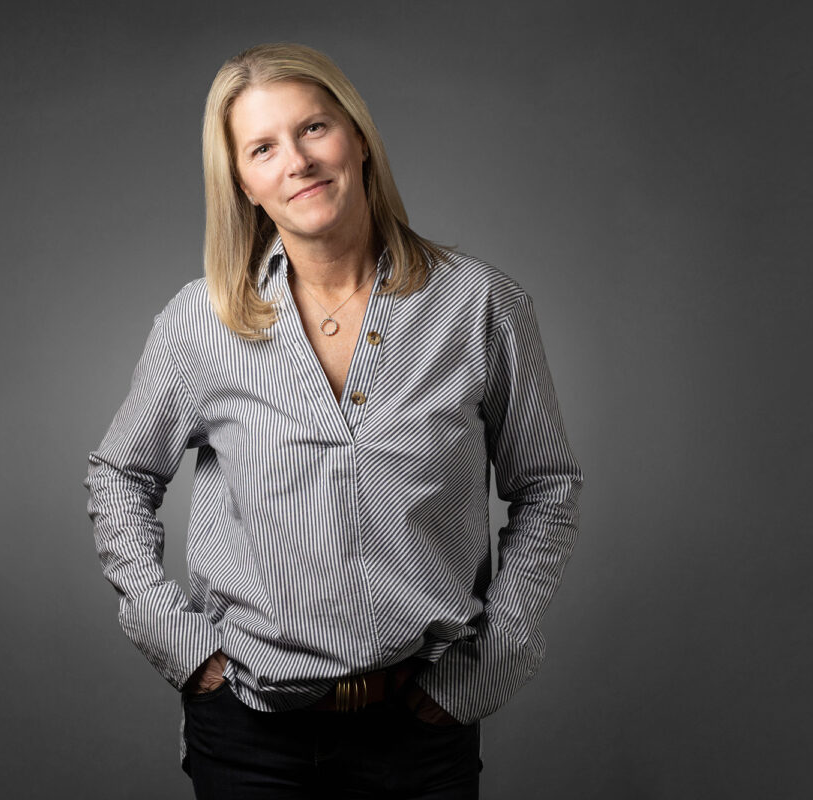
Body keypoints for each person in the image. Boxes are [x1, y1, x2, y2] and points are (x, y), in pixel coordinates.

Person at [84, 42, 583, 799]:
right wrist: (184, 649)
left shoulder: (480, 307)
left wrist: (495, 658)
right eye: (263, 147)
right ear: (244, 182)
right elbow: (118, 476)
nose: (297, 161)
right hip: (248, 736)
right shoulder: (201, 323)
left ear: (356, 139)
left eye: (313, 128)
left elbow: (547, 486)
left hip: (422, 733)